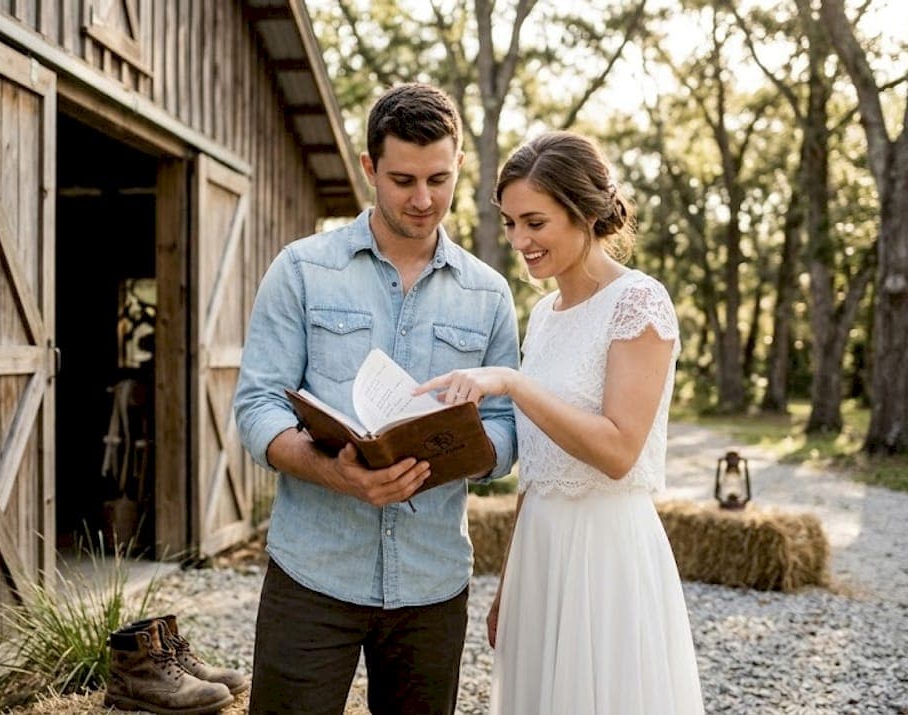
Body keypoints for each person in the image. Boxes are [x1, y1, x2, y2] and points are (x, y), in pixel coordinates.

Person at [233, 83, 519, 715]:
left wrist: (463, 451)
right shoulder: (302, 269)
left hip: (432, 582)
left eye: (439, 179)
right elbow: (257, 407)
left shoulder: (490, 294)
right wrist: (335, 473)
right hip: (313, 572)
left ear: (459, 165)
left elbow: (506, 428)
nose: (423, 200)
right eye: (402, 180)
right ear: (369, 168)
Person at [416, 131, 705, 713]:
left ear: (586, 213)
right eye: (511, 223)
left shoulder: (639, 302)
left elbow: (619, 451)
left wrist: (513, 382)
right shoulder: (545, 313)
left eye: (535, 223)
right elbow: (537, 469)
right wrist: (510, 583)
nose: (519, 241)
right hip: (540, 553)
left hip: (605, 555)